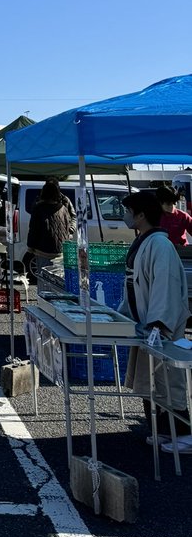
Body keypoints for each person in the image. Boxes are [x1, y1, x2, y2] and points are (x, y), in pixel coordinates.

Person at [119, 192, 191, 452]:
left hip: (159, 326)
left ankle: (184, 434)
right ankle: (163, 430)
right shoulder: (146, 241)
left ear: (141, 215)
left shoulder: (159, 245)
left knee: (168, 380)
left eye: (128, 211)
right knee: (151, 380)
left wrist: (158, 322)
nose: (125, 216)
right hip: (146, 322)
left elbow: (165, 286)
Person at [26, 178, 75, 276]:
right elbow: (69, 221)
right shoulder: (63, 208)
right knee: (58, 280)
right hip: (60, 250)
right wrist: (68, 234)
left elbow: (33, 230)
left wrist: (30, 247)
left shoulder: (38, 207)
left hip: (43, 250)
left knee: (44, 279)